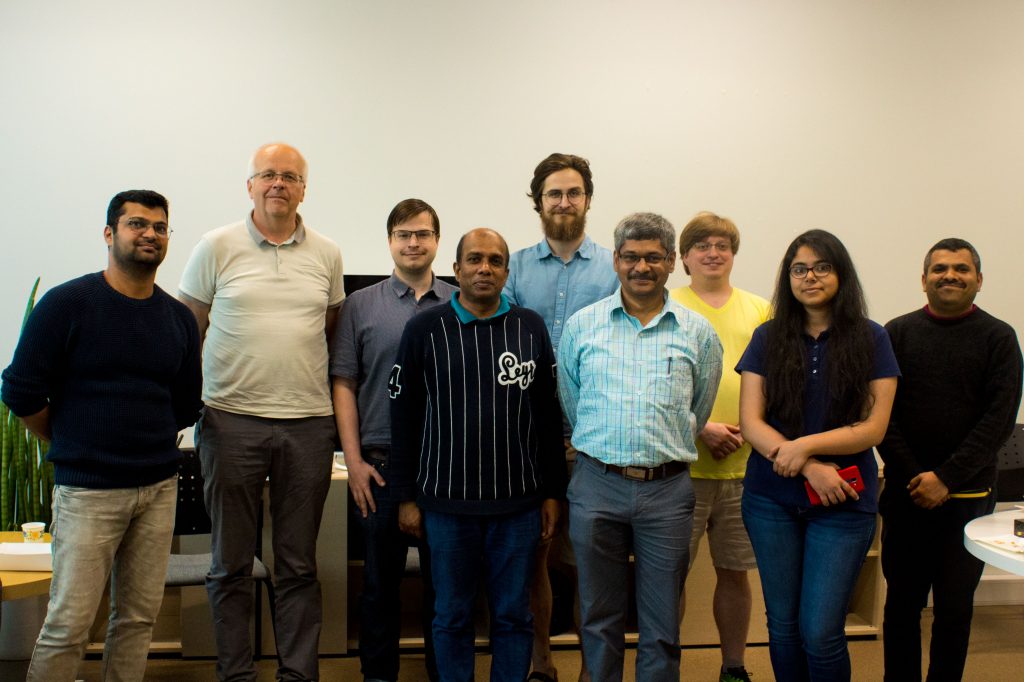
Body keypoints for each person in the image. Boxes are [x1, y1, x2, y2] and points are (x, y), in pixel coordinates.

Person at [2, 190, 203, 682]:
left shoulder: (177, 317)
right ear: (110, 234)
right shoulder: (68, 304)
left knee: (137, 621)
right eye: (137, 224)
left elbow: (184, 401)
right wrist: (68, 439)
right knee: (69, 624)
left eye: (159, 227)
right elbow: (20, 388)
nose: (150, 234)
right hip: (88, 491)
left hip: (157, 488)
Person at [179, 143, 344, 682]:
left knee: (297, 565)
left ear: (304, 188)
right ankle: (236, 675)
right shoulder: (215, 246)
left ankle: (297, 675)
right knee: (229, 564)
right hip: (230, 423)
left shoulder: (327, 253)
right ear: (250, 185)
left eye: (290, 176)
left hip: (308, 426)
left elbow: (333, 333)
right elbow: (187, 331)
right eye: (268, 175)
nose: (279, 184)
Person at [389, 228, 567, 682]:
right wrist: (405, 496)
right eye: (474, 260)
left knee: (513, 616)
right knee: (451, 617)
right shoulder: (424, 329)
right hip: (446, 505)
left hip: (519, 505)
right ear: (457, 269)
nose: (484, 268)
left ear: (507, 271)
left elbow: (547, 417)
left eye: (494, 261)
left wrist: (552, 493)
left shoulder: (530, 327)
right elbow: (404, 418)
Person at [557, 212, 723, 682]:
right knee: (598, 617)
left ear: (672, 262)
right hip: (595, 485)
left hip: (666, 494)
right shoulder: (583, 326)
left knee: (661, 623)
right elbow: (572, 404)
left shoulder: (697, 333)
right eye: (631, 256)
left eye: (653, 257)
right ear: (615, 260)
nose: (641, 267)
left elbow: (700, 409)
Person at [736, 229, 899, 682]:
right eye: (799, 269)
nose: (811, 277)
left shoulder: (872, 338)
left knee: (821, 630)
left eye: (822, 267)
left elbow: (873, 427)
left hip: (843, 500)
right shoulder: (767, 337)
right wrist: (807, 466)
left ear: (841, 274)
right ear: (788, 278)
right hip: (771, 499)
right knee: (784, 626)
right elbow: (751, 422)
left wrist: (806, 446)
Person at [877, 238, 1022, 682]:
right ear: (923, 280)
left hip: (969, 499)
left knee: (955, 610)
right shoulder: (895, 333)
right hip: (907, 495)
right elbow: (882, 415)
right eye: (939, 269)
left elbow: (998, 421)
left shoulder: (1000, 338)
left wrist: (945, 477)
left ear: (979, 280)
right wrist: (918, 476)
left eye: (961, 269)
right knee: (901, 605)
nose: (950, 275)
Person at [330, 198, 455, 682]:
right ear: (389, 241)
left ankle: (443, 672)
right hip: (377, 466)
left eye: (423, 234)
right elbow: (343, 380)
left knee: (443, 586)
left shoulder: (459, 302)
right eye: (403, 234)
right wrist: (353, 460)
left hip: (444, 467)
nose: (413, 243)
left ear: (437, 241)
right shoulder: (361, 303)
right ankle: (378, 676)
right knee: (379, 585)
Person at [504, 152, 617, 682]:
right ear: (538, 202)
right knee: (535, 558)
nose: (564, 202)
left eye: (573, 193)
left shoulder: (615, 267)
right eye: (554, 194)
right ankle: (540, 663)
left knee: (591, 562)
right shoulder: (514, 268)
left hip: (595, 437)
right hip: (526, 437)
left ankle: (594, 670)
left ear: (588, 200)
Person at [670, 211, 770, 682]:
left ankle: (734, 666)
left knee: (735, 573)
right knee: (669, 580)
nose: (713, 253)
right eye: (702, 246)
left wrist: (751, 430)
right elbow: (655, 386)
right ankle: (666, 665)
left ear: (733, 254)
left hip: (745, 470)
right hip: (681, 469)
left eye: (722, 245)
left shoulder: (761, 309)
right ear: (684, 257)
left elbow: (777, 382)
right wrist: (701, 426)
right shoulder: (667, 304)